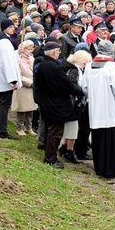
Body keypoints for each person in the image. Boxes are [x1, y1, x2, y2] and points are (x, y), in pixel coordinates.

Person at [82, 40, 115, 178]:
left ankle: (100, 167)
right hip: (110, 108)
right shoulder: (113, 67)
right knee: (111, 138)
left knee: (98, 138)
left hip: (95, 109)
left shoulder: (89, 66)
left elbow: (84, 87)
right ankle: (112, 168)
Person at [35, 40, 84, 168]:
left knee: (50, 130)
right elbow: (67, 85)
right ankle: (50, 158)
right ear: (54, 52)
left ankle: (49, 155)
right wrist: (81, 91)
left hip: (47, 102)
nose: (59, 54)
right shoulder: (52, 67)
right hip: (56, 104)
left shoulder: (44, 64)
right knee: (55, 132)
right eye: (58, 51)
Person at [0, 18, 21, 139]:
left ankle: (0, 129)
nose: (14, 29)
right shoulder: (4, 43)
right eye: (11, 27)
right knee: (4, 104)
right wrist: (12, 80)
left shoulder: (3, 41)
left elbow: (11, 58)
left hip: (3, 77)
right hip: (5, 78)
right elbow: (7, 63)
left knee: (2, 104)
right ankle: (2, 131)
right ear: (5, 28)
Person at [11, 39, 38, 136]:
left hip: (32, 87)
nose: (30, 51)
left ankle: (29, 127)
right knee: (22, 109)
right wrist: (30, 83)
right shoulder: (18, 59)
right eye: (28, 49)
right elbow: (18, 75)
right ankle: (20, 127)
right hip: (23, 87)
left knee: (31, 108)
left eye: (31, 49)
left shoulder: (32, 59)